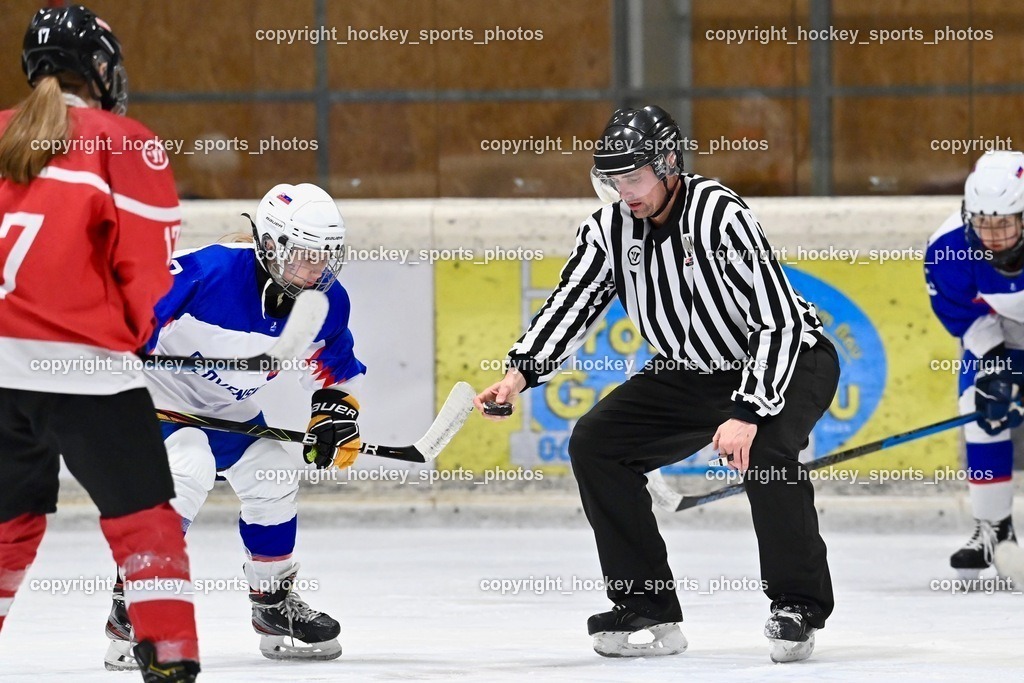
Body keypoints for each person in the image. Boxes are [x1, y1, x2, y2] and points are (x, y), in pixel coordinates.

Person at [475, 105, 840, 663]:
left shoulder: (720, 215)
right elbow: (572, 304)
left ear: (670, 164)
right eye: (614, 181)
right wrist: (520, 371)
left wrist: (748, 410)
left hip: (786, 358)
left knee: (765, 451)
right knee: (598, 444)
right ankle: (645, 604)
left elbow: (777, 319)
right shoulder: (609, 229)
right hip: (688, 369)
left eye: (635, 178)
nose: (626, 193)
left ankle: (797, 605)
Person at [0, 6, 200, 682]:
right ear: (102, 70)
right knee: (147, 523)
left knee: (7, 522)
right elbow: (146, 277)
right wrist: (139, 342)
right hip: (83, 371)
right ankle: (169, 660)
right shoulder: (127, 142)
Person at [103, 182, 366, 668]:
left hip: (229, 411)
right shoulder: (209, 271)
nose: (317, 269)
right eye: (305, 255)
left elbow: (338, 371)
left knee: (275, 475)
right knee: (188, 468)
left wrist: (334, 415)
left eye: (327, 255)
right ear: (270, 245)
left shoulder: (328, 301)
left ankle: (273, 608)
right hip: (158, 398)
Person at [925, 150, 1023, 579]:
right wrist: (997, 367)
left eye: (1004, 223)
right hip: (1004, 330)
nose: (993, 236)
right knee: (980, 409)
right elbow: (967, 319)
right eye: (983, 223)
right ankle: (993, 529)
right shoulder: (947, 249)